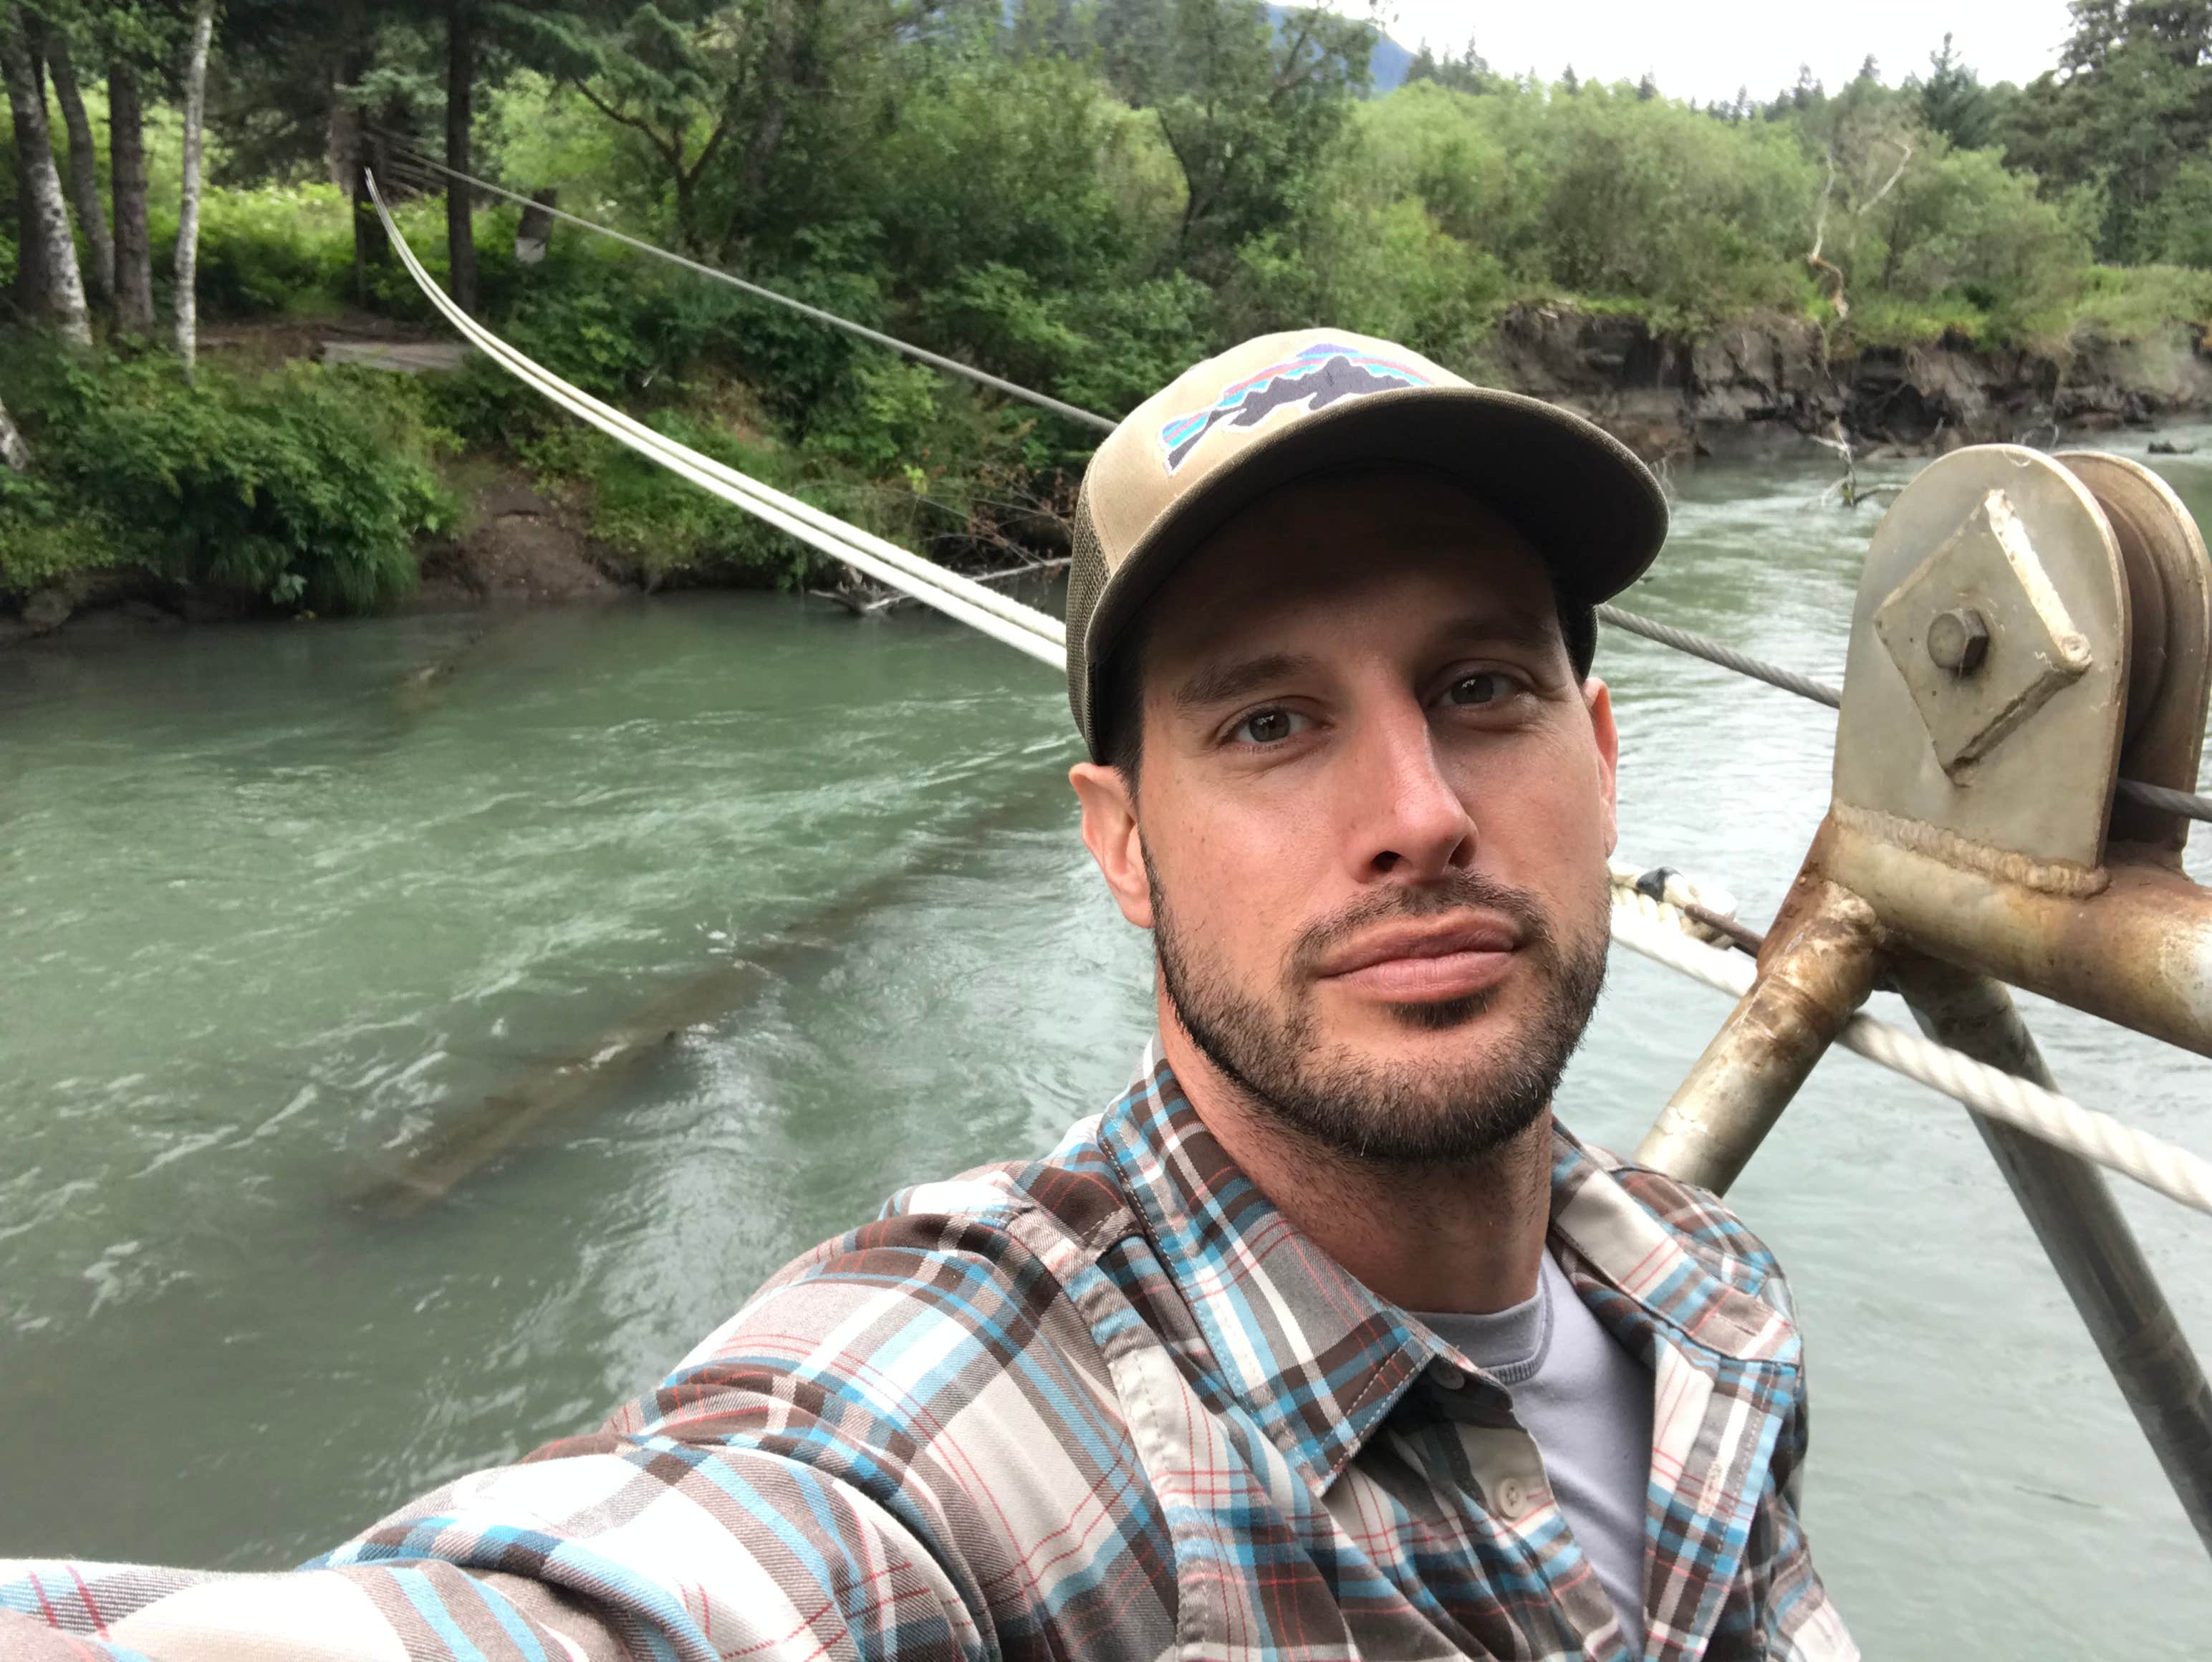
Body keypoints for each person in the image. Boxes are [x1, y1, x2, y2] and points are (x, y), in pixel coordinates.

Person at [1, 331, 1851, 1661]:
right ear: (1122, 846)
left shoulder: (1707, 1302)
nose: (1419, 814)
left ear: (1604, 756)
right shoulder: (979, 1437)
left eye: (1482, 690)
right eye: (1270, 723)